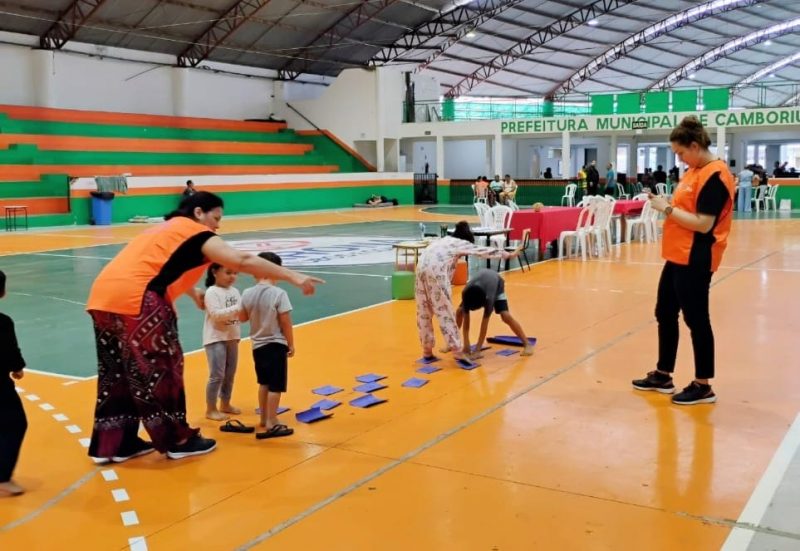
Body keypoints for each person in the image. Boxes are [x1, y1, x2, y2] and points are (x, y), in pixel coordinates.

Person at [85, 192, 323, 462]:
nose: (218, 226)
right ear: (199, 212)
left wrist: (193, 291)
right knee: (163, 370)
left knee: (116, 373)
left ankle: (116, 443)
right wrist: (293, 275)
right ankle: (179, 440)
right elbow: (241, 261)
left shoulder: (161, 230)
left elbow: (152, 265)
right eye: (216, 218)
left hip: (102, 298)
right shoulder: (196, 232)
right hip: (139, 300)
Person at [632, 116, 735, 405]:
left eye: (681, 153)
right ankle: (663, 374)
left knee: (696, 319)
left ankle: (703, 385)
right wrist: (667, 204)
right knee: (664, 311)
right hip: (677, 253)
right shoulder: (693, 171)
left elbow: (704, 224)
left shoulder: (715, 175)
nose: (679, 159)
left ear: (695, 145)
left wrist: (666, 209)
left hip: (697, 255)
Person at [415, 221, 515, 363]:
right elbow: (481, 251)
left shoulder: (442, 241)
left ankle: (427, 351)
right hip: (435, 272)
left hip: (420, 268)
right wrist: (507, 254)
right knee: (445, 312)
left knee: (423, 311)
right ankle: (457, 351)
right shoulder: (459, 243)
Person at [240, 252, 295, 439]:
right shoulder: (279, 293)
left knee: (263, 382)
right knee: (276, 385)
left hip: (257, 345)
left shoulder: (247, 293)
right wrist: (291, 343)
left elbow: (242, 317)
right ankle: (272, 420)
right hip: (275, 343)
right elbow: (285, 321)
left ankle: (263, 418)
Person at [457, 269, 534, 358]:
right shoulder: (466, 292)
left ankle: (527, 344)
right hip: (481, 286)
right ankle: (453, 341)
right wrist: (466, 345)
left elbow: (484, 325)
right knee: (459, 311)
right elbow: (466, 322)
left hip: (497, 286)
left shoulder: (489, 299)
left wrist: (477, 350)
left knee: (505, 315)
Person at [203, 264, 242, 422]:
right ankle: (211, 409)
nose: (232, 276)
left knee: (230, 374)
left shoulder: (235, 291)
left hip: (232, 337)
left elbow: (240, 314)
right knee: (217, 375)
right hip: (216, 338)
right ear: (214, 272)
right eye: (228, 272)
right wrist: (239, 307)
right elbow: (216, 315)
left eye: (235, 273)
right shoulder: (212, 292)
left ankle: (225, 403)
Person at [0, 271, 26, 496]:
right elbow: (10, 351)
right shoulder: (2, 322)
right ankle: (2, 478)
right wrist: (17, 368)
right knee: (16, 424)